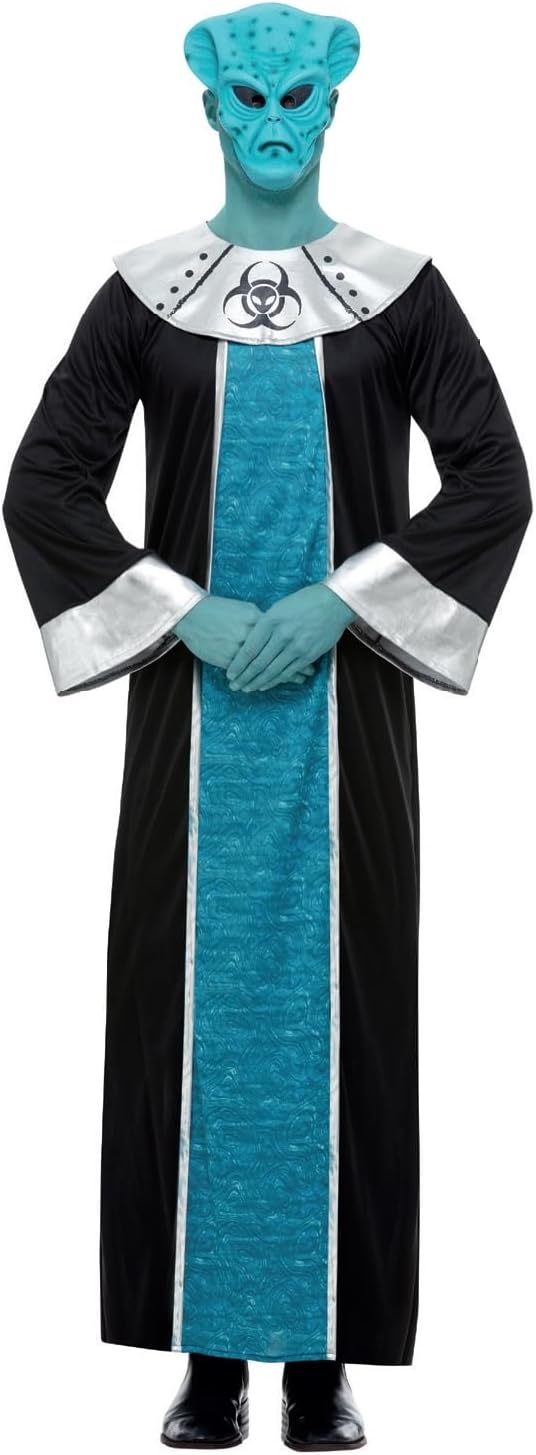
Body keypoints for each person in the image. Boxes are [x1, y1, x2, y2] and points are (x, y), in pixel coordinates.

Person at [3, 5, 532, 1450]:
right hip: (192, 723)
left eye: (298, 97)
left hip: (348, 717)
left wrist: (340, 601)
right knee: (186, 1015)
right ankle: (210, 1358)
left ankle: (322, 1365)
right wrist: (182, 613)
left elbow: (494, 476)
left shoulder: (400, 293)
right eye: (250, 98)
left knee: (345, 1011)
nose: (274, 122)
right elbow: (45, 483)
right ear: (211, 112)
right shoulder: (142, 294)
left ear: (332, 110)